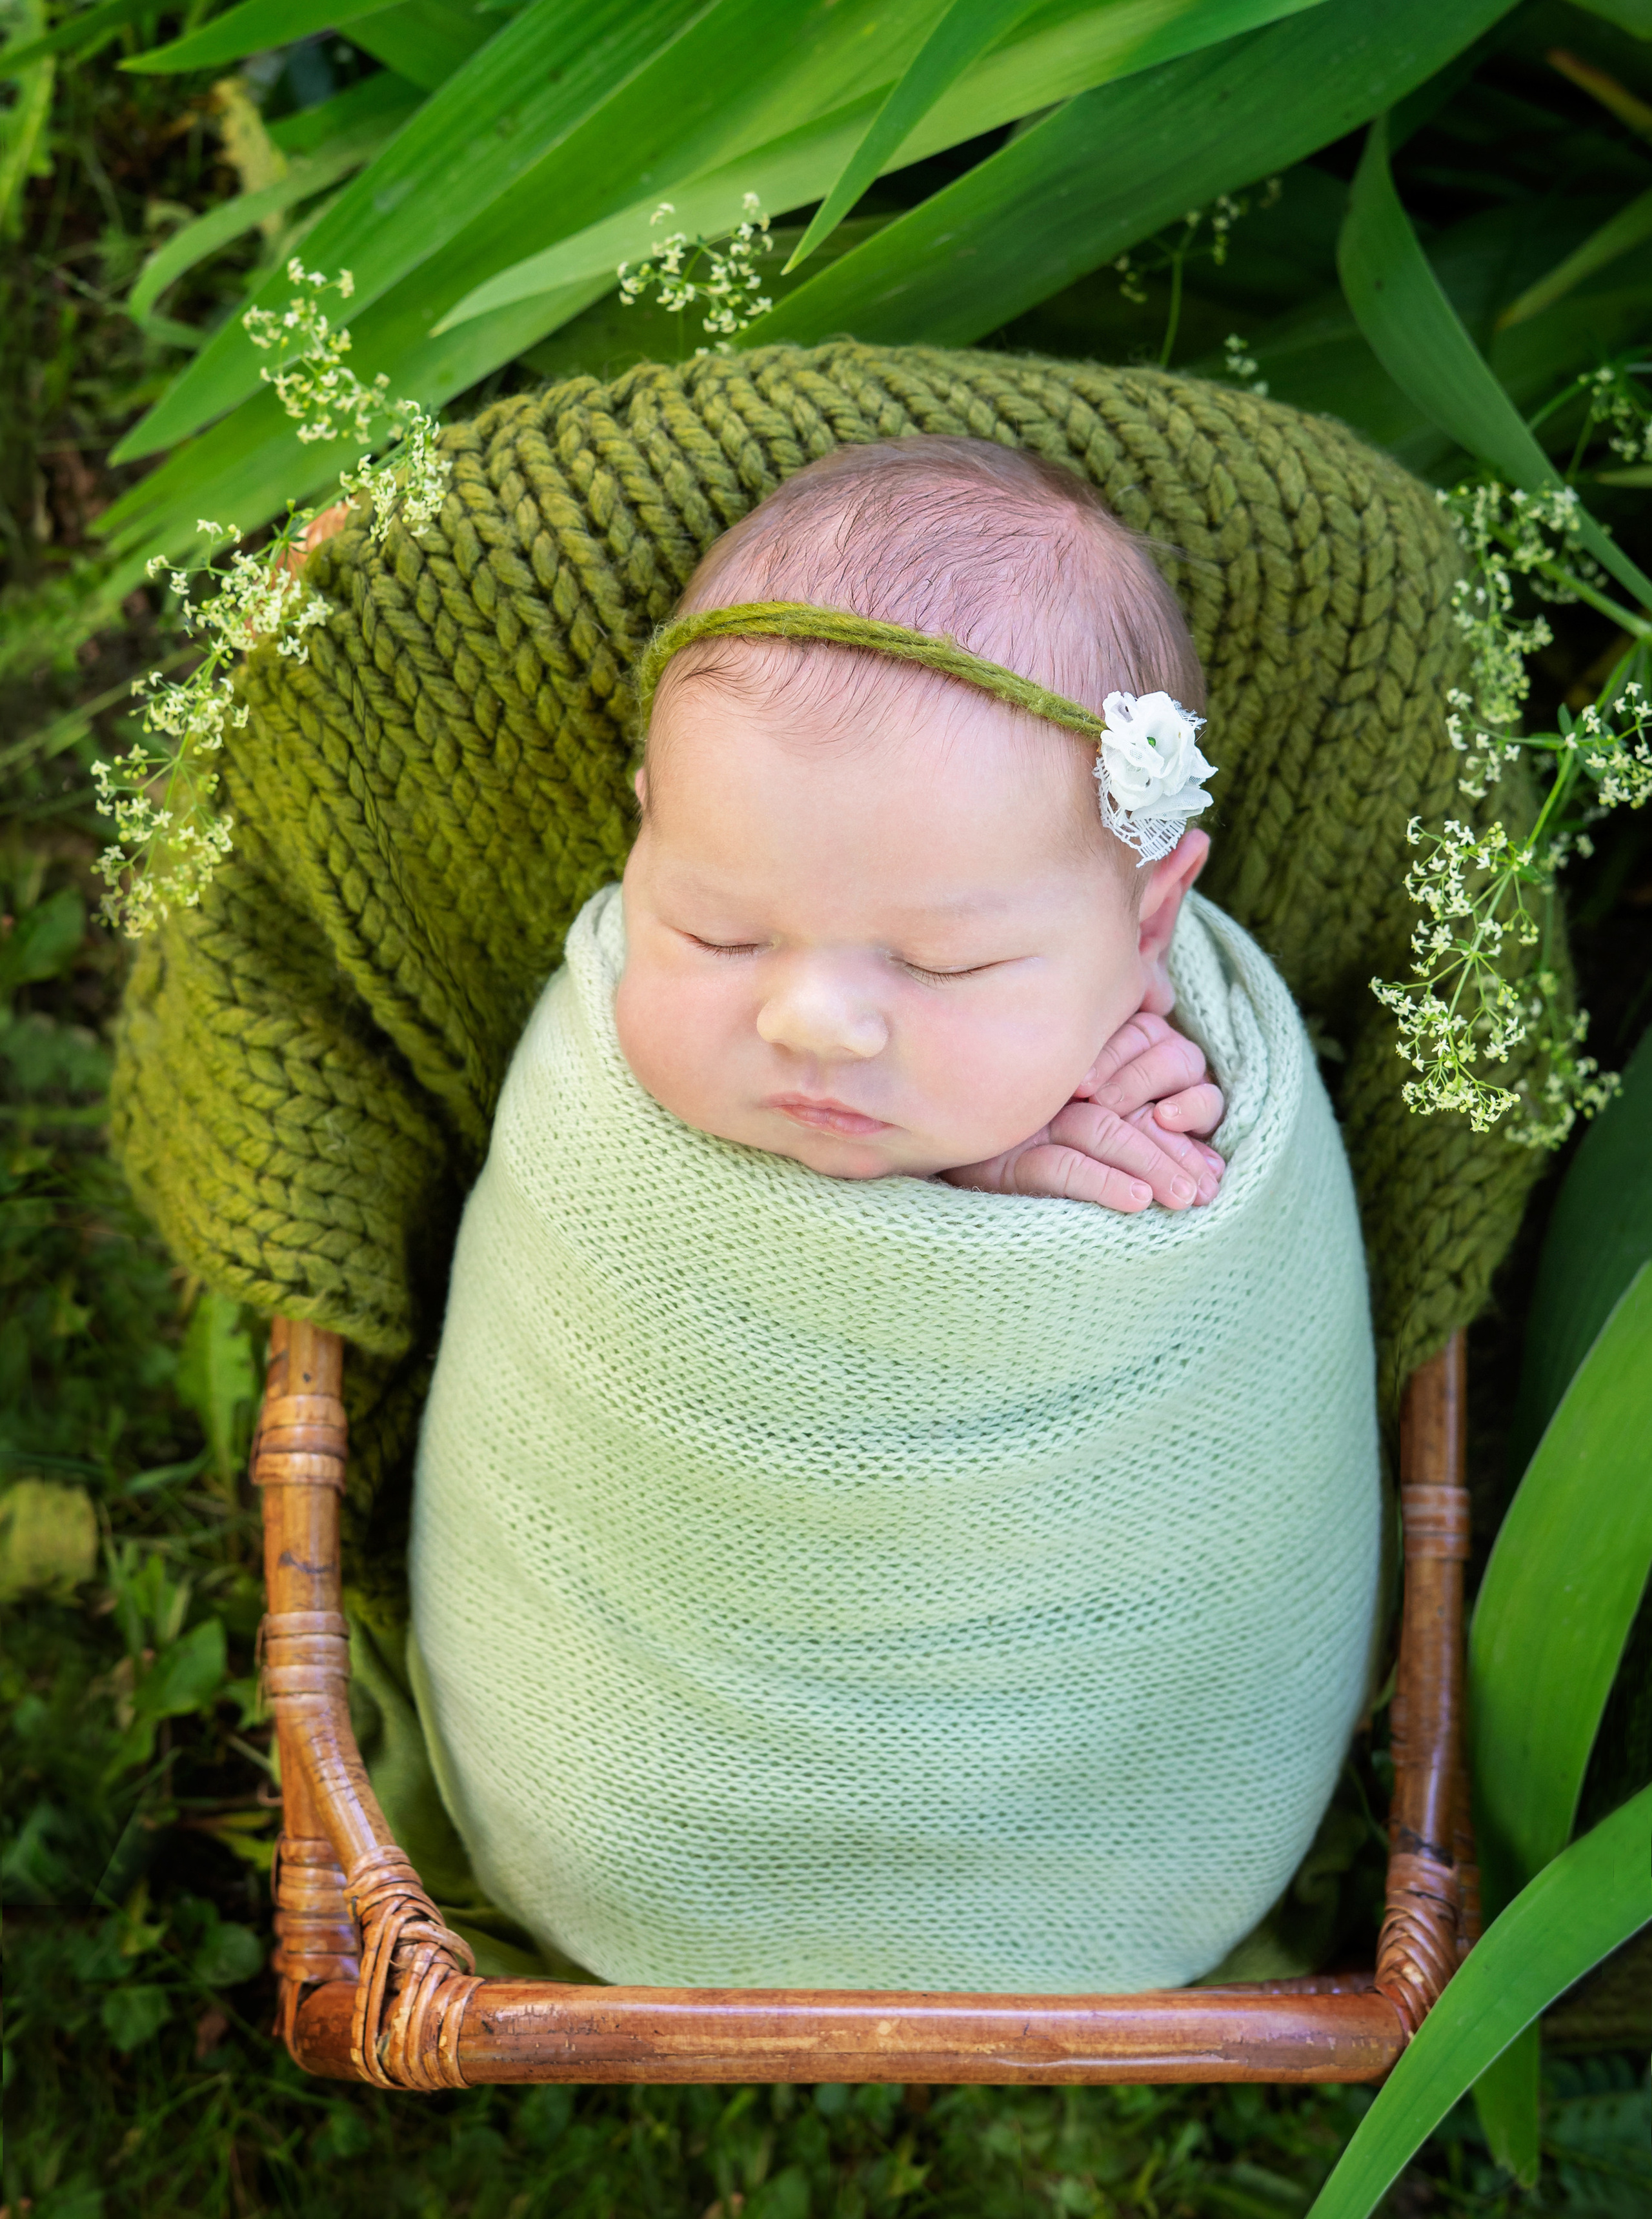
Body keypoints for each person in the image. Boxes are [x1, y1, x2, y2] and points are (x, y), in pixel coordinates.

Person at [408, 436, 1382, 1994]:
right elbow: (597, 1256)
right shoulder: (607, 1061)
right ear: (646, 824)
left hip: (1098, 1803)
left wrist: (1033, 1214)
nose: (814, 1024)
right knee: (602, 1777)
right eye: (717, 929)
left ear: (1146, 917)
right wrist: (974, 1169)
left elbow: (1225, 1383)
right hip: (635, 1781)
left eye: (939, 971)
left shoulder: (1179, 1089)